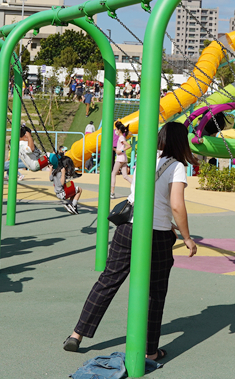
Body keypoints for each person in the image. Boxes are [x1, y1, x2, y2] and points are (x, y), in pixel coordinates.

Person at [63, 121, 198, 359]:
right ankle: (149, 351)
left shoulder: (145, 158)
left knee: (107, 281)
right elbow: (176, 204)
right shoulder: (176, 166)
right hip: (155, 235)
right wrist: (187, 237)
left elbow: (150, 197)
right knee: (155, 291)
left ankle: (77, 334)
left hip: (127, 228)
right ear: (181, 142)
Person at [51, 147, 83, 214]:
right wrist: (63, 173)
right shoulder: (61, 173)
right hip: (62, 194)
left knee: (73, 189)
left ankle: (70, 205)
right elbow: (61, 183)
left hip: (58, 193)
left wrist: (51, 169)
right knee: (79, 190)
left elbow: (50, 178)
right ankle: (73, 205)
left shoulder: (55, 171)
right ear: (65, 166)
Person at [111, 121, 132, 200]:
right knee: (125, 176)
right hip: (124, 158)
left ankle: (112, 192)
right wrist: (115, 149)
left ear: (119, 130)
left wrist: (121, 151)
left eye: (116, 129)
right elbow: (118, 149)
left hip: (120, 158)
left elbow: (128, 145)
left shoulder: (121, 137)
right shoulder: (121, 137)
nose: (115, 130)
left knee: (113, 174)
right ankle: (135, 186)